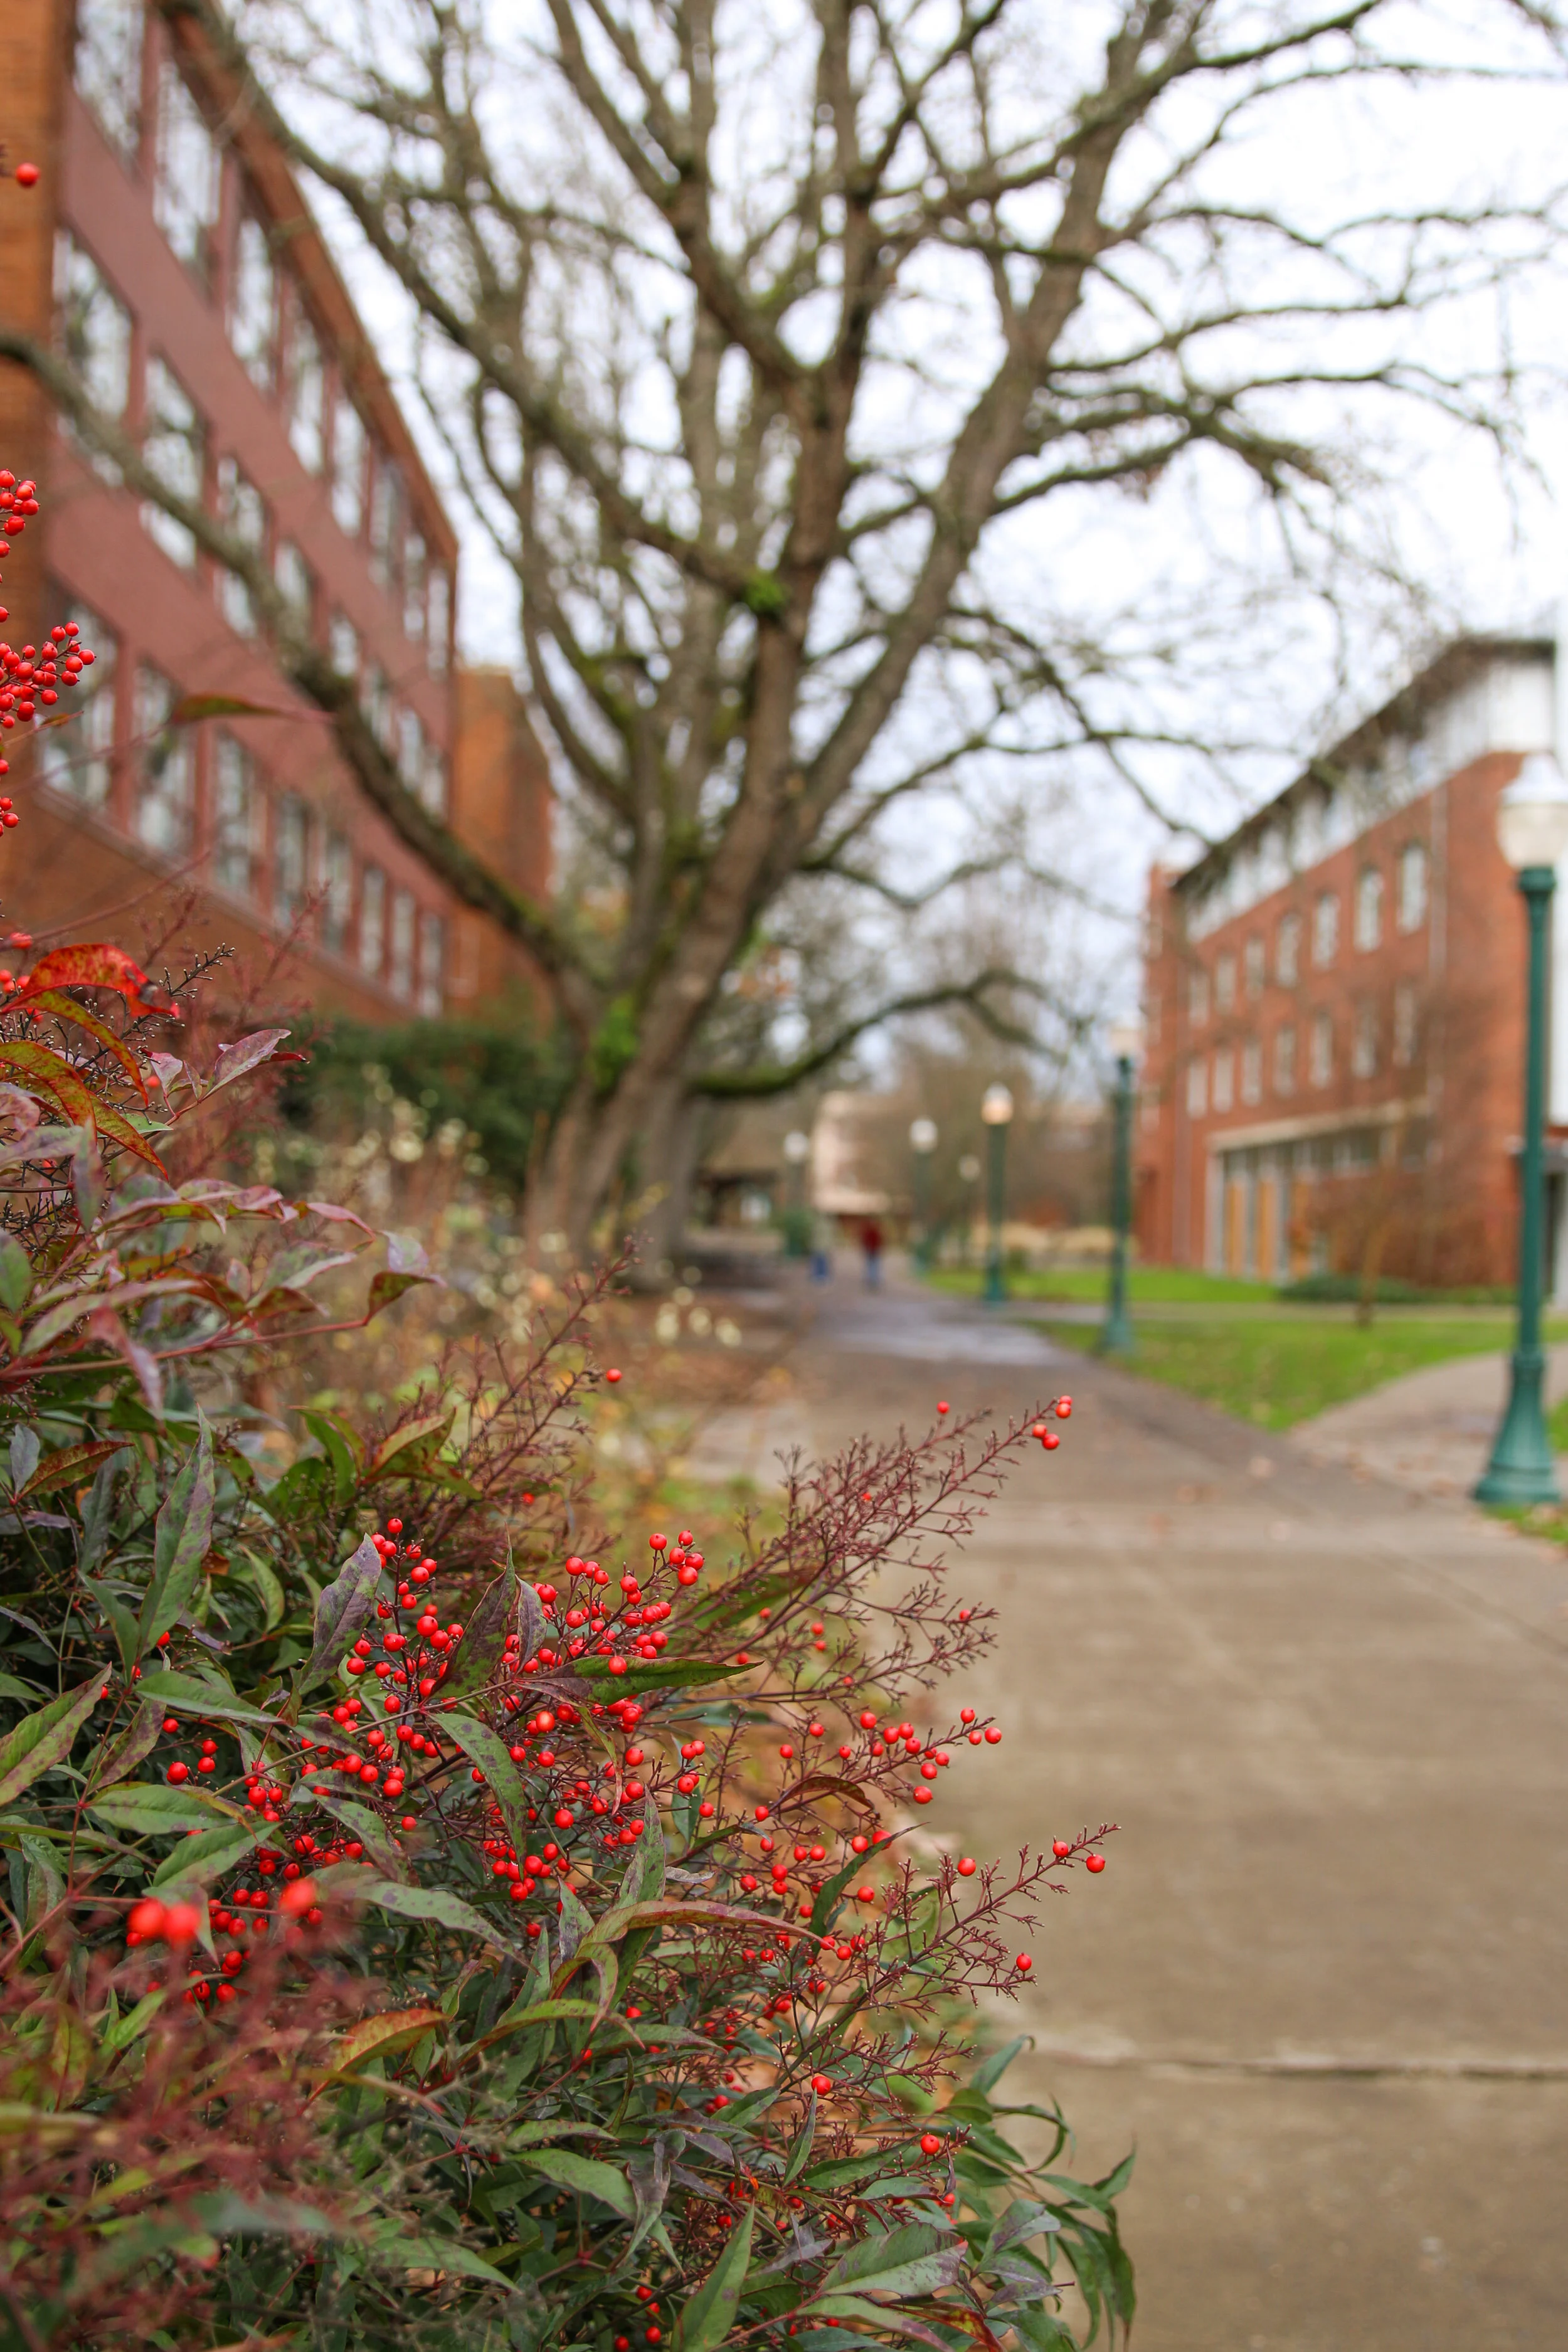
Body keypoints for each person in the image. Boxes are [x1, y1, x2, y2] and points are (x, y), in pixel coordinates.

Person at [860, 1218, 883, 1288]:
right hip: (870, 1251)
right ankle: (871, 1280)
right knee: (870, 1266)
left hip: (875, 1251)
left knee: (874, 1266)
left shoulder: (875, 1232)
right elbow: (865, 1241)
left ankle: (874, 1280)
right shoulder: (869, 1232)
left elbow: (879, 1241)